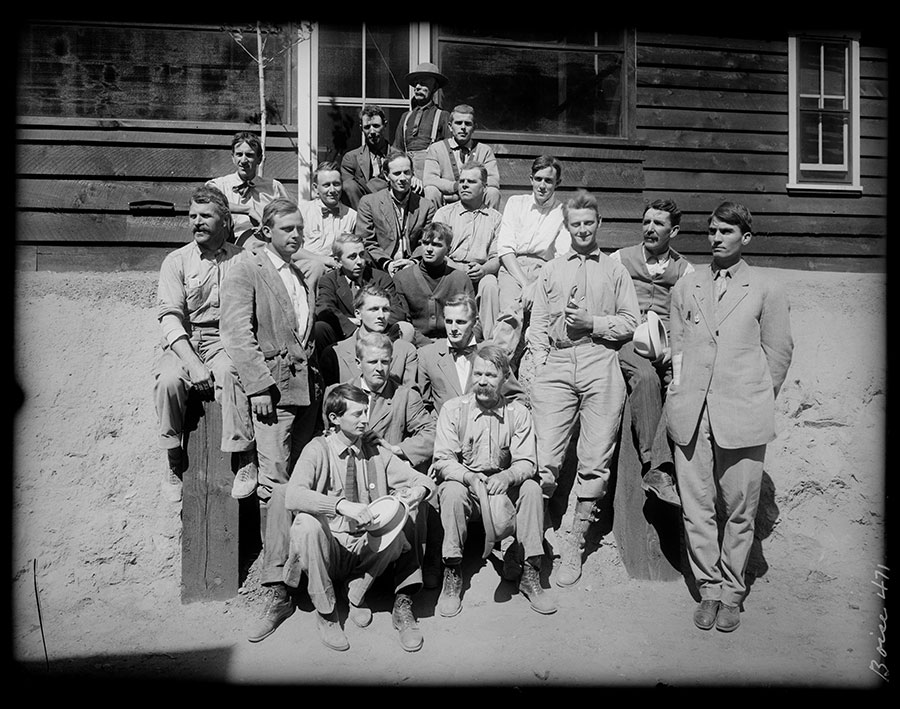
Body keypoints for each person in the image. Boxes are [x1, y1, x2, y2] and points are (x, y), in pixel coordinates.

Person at [666, 201, 793, 634]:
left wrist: (756, 395)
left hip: (743, 413)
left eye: (726, 231)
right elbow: (677, 348)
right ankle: (709, 590)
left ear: (746, 238)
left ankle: (734, 592)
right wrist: (679, 391)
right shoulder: (688, 286)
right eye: (711, 230)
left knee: (739, 508)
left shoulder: (766, 288)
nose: (716, 238)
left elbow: (778, 352)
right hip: (691, 412)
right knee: (697, 506)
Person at [527, 189, 640, 588]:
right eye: (575, 224)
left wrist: (593, 322)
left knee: (594, 456)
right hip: (558, 361)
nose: (582, 230)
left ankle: (575, 539)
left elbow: (631, 320)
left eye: (589, 223)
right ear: (566, 226)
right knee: (543, 455)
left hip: (600, 359)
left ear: (599, 224)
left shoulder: (614, 270)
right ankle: (530, 541)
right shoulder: (552, 269)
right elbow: (538, 321)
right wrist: (540, 363)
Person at [282, 384, 436, 652]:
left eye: (366, 412)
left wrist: (418, 491)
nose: (365, 419)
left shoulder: (374, 451)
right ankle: (326, 611)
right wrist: (340, 505)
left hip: (363, 547)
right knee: (306, 524)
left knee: (398, 533)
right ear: (335, 418)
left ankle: (356, 589)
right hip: (327, 548)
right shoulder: (318, 449)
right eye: (357, 414)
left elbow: (421, 480)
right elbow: (293, 496)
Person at [220, 198, 322, 540]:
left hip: (305, 390)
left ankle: (299, 555)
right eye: (288, 229)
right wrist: (258, 387)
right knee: (275, 478)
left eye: (300, 229)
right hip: (273, 391)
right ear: (266, 232)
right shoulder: (247, 268)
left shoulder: (298, 274)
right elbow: (237, 332)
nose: (296, 235)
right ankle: (275, 571)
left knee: (297, 475)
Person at [432, 345, 556, 617]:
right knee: (450, 491)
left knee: (532, 488)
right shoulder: (453, 410)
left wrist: (507, 475)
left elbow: (526, 462)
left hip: (503, 491)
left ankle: (530, 571)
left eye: (490, 375)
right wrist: (468, 476)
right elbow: (442, 459)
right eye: (478, 374)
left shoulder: (518, 413)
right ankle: (452, 572)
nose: (483, 381)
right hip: (469, 491)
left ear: (504, 377)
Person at [153, 185, 257, 504]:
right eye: (192, 216)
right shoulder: (177, 261)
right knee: (168, 382)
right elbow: (169, 318)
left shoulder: (244, 260)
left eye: (205, 216)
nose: (196, 222)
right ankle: (173, 458)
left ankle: (245, 459)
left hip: (226, 338)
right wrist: (194, 364)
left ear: (225, 221)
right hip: (184, 340)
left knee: (231, 374)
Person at [610, 199, 694, 507]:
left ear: (673, 231)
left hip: (668, 344)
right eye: (646, 222)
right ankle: (653, 465)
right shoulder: (620, 259)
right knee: (646, 378)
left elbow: (688, 317)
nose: (649, 228)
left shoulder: (685, 270)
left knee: (679, 385)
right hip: (632, 340)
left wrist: (674, 350)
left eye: (658, 223)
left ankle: (666, 469)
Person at [494, 155, 570, 362]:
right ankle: (494, 368)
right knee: (511, 313)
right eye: (538, 179)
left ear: (557, 183)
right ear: (531, 179)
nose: (542, 185)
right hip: (513, 267)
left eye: (548, 180)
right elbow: (506, 248)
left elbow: (561, 257)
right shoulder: (515, 203)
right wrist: (526, 284)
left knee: (539, 321)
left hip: (544, 270)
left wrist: (536, 285)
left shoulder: (563, 212)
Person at [417, 293, 524, 416]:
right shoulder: (428, 355)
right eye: (448, 321)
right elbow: (421, 406)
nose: (453, 328)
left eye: (460, 322)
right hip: (444, 431)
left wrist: (502, 426)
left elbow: (516, 397)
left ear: (475, 322)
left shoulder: (490, 352)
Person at [432, 162, 503, 341]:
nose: (463, 185)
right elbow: (436, 251)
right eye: (461, 180)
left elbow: (497, 257)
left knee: (490, 284)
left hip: (480, 271)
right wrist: (459, 269)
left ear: (484, 187)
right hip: (450, 269)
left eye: (471, 181)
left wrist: (484, 270)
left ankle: (489, 342)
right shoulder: (445, 214)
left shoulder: (496, 219)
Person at [313, 232, 406, 352]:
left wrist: (367, 324)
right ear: (338, 260)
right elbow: (324, 309)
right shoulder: (329, 280)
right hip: (344, 336)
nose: (360, 261)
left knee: (404, 328)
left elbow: (397, 312)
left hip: (379, 335)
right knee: (320, 328)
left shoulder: (381, 278)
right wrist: (352, 328)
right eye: (352, 257)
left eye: (362, 255)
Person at [392, 222, 474, 348]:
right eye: (425, 243)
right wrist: (430, 346)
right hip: (416, 345)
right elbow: (403, 323)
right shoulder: (402, 278)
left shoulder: (461, 278)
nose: (429, 249)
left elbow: (472, 319)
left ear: (448, 249)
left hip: (454, 344)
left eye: (436, 245)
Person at [355, 150, 436, 277]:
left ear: (412, 173)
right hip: (380, 268)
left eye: (407, 173)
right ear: (387, 176)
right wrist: (387, 264)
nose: (402, 178)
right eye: (397, 173)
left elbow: (427, 242)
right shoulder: (369, 203)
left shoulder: (426, 206)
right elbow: (366, 241)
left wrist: (413, 262)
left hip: (415, 269)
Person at [319, 284, 418, 388]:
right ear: (358, 313)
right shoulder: (335, 353)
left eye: (385, 310)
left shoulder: (405, 351)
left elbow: (410, 395)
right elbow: (329, 398)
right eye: (374, 309)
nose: (381, 316)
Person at [206, 131, 289, 245]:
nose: (243, 160)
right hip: (233, 246)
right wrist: (248, 210)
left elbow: (288, 216)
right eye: (239, 154)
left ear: (259, 159)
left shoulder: (274, 187)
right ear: (233, 157)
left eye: (249, 155)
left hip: (271, 243)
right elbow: (209, 203)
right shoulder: (220, 185)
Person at [422, 104, 501, 210]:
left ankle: (488, 224)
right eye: (458, 123)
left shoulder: (484, 150)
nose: (463, 127)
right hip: (446, 200)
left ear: (474, 127)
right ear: (450, 126)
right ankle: (436, 225)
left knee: (493, 192)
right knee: (431, 190)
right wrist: (455, 186)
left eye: (468, 124)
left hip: (476, 201)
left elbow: (493, 180)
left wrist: (469, 188)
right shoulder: (436, 148)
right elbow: (429, 179)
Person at [293, 161, 357, 278]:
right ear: (316, 188)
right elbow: (293, 250)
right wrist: (324, 260)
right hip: (308, 271)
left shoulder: (352, 216)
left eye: (336, 184)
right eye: (326, 185)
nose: (332, 190)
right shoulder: (301, 213)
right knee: (316, 267)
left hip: (340, 272)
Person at [393, 62, 451, 181]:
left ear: (434, 87)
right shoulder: (405, 117)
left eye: (423, 83)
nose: (418, 87)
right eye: (416, 83)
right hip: (405, 172)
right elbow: (396, 149)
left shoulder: (442, 116)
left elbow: (449, 152)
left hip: (431, 172)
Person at [341, 104, 392, 210]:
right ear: (361, 128)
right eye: (367, 127)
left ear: (385, 125)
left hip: (390, 207)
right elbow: (349, 190)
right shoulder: (351, 158)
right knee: (349, 185)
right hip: (360, 209)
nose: (372, 131)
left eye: (376, 126)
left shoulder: (397, 157)